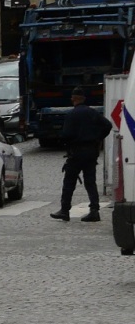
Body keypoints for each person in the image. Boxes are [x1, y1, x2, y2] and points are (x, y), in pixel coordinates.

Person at [51, 86, 108, 222]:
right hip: (91, 151)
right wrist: (98, 138)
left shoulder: (72, 114)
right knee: (90, 182)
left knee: (69, 181)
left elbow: (67, 135)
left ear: (73, 99)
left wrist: (64, 142)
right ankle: (94, 211)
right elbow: (108, 125)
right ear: (84, 99)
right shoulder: (93, 113)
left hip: (76, 153)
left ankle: (65, 210)